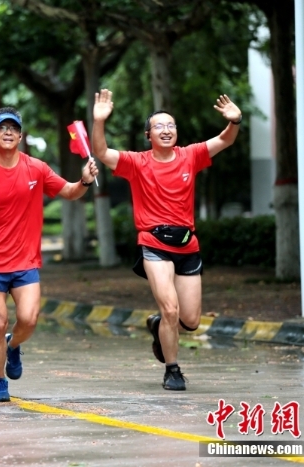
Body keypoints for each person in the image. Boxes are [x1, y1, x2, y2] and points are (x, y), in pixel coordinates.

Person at [90, 89, 242, 391]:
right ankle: (172, 370)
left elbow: (225, 139)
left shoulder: (191, 155)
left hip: (188, 245)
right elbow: (103, 152)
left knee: (190, 320)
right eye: (159, 126)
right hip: (154, 244)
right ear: (148, 135)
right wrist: (99, 122)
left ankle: (158, 325)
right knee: (171, 309)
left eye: (171, 125)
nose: (166, 130)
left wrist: (235, 121)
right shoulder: (137, 162)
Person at [0, 107, 98, 402]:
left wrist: (84, 181)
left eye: (13, 128)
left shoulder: (36, 168)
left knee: (28, 319)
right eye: (2, 128)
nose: (8, 132)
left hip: (25, 261)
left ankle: (12, 346)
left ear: (20, 135)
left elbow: (69, 192)